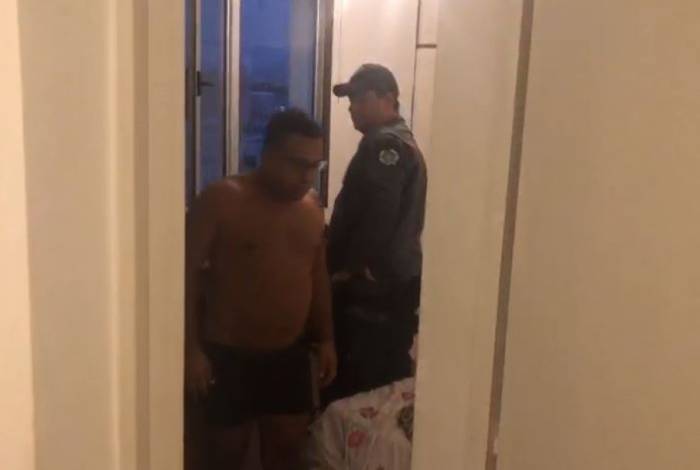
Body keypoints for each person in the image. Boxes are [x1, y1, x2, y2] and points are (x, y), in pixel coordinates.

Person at [185, 109, 337, 470]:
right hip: (228, 355)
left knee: (287, 452)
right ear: (267, 154)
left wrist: (327, 338)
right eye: (297, 164)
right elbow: (183, 276)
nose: (306, 177)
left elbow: (317, 276)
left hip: (289, 353)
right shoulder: (221, 200)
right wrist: (189, 350)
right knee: (225, 456)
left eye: (314, 166)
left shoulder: (311, 208)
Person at [324, 64, 427, 404]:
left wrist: (351, 268)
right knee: (381, 384)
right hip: (389, 285)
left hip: (374, 288)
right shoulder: (396, 141)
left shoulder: (385, 145)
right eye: (349, 100)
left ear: (388, 98)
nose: (351, 107)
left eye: (359, 98)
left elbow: (380, 215)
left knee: (361, 387)